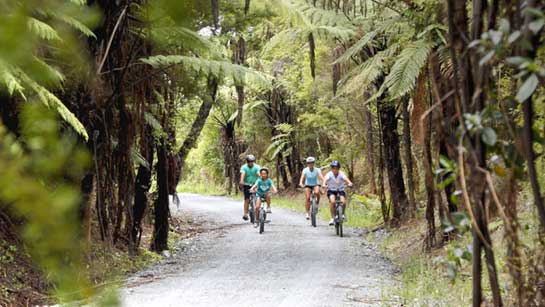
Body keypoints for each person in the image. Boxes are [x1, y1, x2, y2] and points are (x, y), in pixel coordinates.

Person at [322, 160, 353, 226]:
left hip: (340, 190)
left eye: (336, 168)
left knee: (343, 202)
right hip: (331, 190)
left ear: (339, 168)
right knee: (332, 202)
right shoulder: (329, 174)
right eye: (333, 168)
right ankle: (332, 218)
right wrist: (324, 184)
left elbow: (346, 179)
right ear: (332, 168)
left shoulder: (341, 174)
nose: (335, 170)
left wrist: (349, 183)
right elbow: (325, 180)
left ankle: (343, 214)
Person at [239, 154, 260, 221]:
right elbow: (243, 174)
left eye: (252, 161)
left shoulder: (257, 167)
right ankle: (245, 214)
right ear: (247, 162)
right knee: (247, 199)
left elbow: (259, 174)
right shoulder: (244, 167)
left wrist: (261, 179)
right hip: (247, 184)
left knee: (258, 198)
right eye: (249, 161)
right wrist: (241, 181)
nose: (250, 163)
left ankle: (259, 211)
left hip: (255, 184)